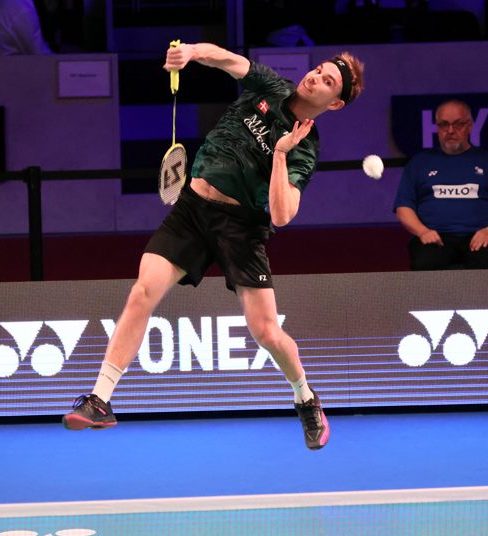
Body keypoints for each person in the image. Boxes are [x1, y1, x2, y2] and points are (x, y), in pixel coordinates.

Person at [62, 42, 365, 450]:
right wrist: (189, 52)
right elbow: (224, 58)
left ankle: (306, 399)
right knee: (141, 293)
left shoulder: (305, 148)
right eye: (318, 70)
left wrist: (279, 154)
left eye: (327, 81)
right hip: (192, 208)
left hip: (241, 227)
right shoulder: (269, 87)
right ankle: (100, 399)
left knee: (266, 332)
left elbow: (281, 214)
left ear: (336, 103)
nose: (315, 77)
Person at [394, 99, 488, 270]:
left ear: (470, 126)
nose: (450, 130)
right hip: (435, 237)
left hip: (480, 235)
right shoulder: (419, 163)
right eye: (444, 124)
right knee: (426, 262)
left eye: (458, 124)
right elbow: (403, 208)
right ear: (436, 127)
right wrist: (422, 232)